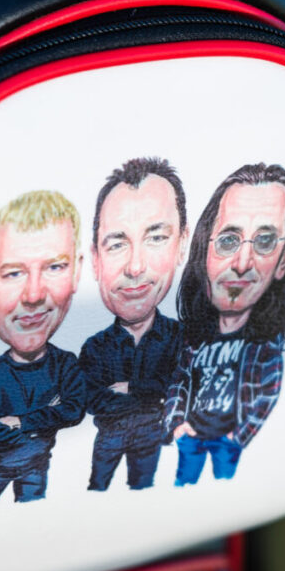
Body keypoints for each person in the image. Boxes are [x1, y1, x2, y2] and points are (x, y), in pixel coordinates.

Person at [164, 163, 285, 485]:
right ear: (203, 248)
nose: (242, 264)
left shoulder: (265, 347)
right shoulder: (192, 339)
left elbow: (266, 395)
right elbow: (179, 383)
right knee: (184, 486)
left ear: (284, 259)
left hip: (228, 444)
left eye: (265, 241)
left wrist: (238, 437)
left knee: (224, 486)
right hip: (190, 438)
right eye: (228, 241)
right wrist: (176, 426)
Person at [0, 190, 87, 507]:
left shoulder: (66, 366)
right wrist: (43, 420)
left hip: (36, 467)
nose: (33, 295)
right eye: (13, 273)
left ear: (76, 274)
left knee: (34, 515)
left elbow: (73, 411)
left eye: (54, 267)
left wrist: (17, 422)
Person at [78, 158, 188, 491]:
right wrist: (150, 393)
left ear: (182, 244)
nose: (136, 266)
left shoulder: (182, 339)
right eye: (117, 244)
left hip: (152, 440)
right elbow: (90, 399)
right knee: (97, 487)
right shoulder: (94, 347)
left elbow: (180, 388)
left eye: (156, 237)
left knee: (143, 489)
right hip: (108, 439)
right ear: (95, 259)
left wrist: (128, 388)